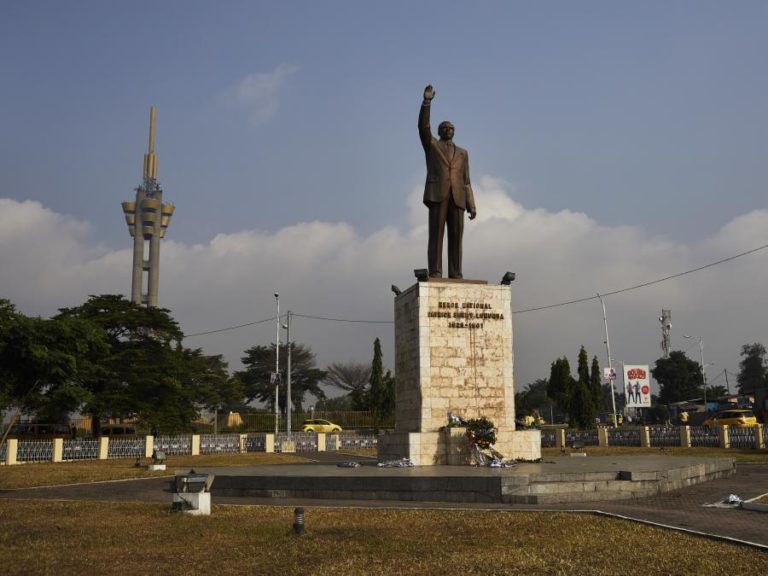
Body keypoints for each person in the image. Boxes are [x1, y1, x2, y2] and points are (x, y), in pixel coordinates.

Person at [419, 85, 476, 279]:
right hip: (438, 194)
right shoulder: (432, 146)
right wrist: (427, 103)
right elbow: (423, 128)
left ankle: (456, 272)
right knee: (436, 236)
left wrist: (472, 204)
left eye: (451, 128)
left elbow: (466, 180)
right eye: (445, 128)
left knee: (456, 237)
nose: (448, 130)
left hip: (458, 197)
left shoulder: (463, 153)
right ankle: (435, 271)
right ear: (439, 131)